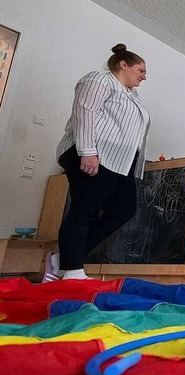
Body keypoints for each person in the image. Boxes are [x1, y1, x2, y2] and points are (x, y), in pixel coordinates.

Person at [44, 43, 150, 282]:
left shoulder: (132, 95)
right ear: (123, 65)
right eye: (141, 70)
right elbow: (85, 111)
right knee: (85, 209)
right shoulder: (100, 80)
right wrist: (88, 151)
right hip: (94, 153)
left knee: (124, 210)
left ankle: (66, 259)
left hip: (119, 162)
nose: (145, 76)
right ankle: (71, 270)